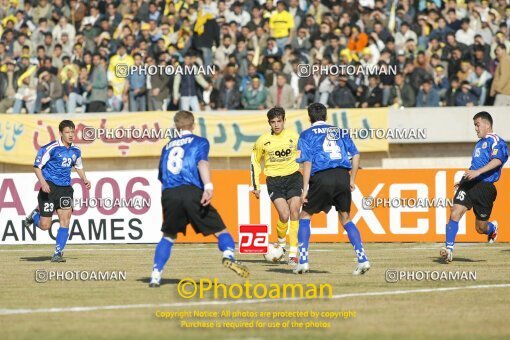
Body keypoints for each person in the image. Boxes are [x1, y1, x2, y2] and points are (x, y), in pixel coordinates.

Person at [149, 110, 249, 287]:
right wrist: (208, 186)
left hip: (170, 193)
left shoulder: (167, 146)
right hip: (191, 191)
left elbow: (161, 176)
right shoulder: (200, 142)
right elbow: (202, 163)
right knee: (221, 231)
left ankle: (156, 274)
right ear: (193, 125)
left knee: (168, 236)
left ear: (176, 127)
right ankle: (228, 255)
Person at [294, 103, 370, 275]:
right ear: (326, 117)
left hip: (322, 176)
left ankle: (303, 261)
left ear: (309, 117)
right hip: (342, 176)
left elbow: (307, 162)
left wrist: (305, 188)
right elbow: (356, 155)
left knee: (305, 215)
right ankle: (363, 259)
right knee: (346, 218)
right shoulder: (341, 132)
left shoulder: (306, 134)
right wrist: (352, 179)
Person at [440, 111, 508, 263]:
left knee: (480, 228)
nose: (476, 129)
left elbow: (497, 161)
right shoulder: (478, 144)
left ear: (487, 124)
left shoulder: (496, 141)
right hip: (470, 184)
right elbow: (474, 166)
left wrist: (478, 172)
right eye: (474, 126)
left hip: (485, 187)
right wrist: (463, 181)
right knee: (454, 211)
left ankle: (491, 229)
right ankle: (448, 249)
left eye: (477, 125)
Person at [22, 120, 91, 262]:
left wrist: (84, 179)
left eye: (72, 132)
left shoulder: (76, 150)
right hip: (49, 188)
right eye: (67, 132)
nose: (71, 135)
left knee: (65, 220)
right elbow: (37, 166)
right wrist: (42, 183)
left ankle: (58, 253)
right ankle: (34, 216)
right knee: (45, 225)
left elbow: (78, 166)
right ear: (61, 133)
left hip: (65, 189)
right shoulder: (51, 148)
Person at [250, 107, 302, 265]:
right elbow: (254, 162)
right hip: (274, 180)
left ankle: (293, 254)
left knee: (294, 212)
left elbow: (306, 156)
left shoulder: (294, 137)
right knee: (284, 215)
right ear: (269, 123)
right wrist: (256, 185)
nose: (276, 125)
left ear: (284, 121)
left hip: (293, 177)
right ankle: (281, 243)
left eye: (279, 121)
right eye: (273, 122)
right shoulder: (262, 141)